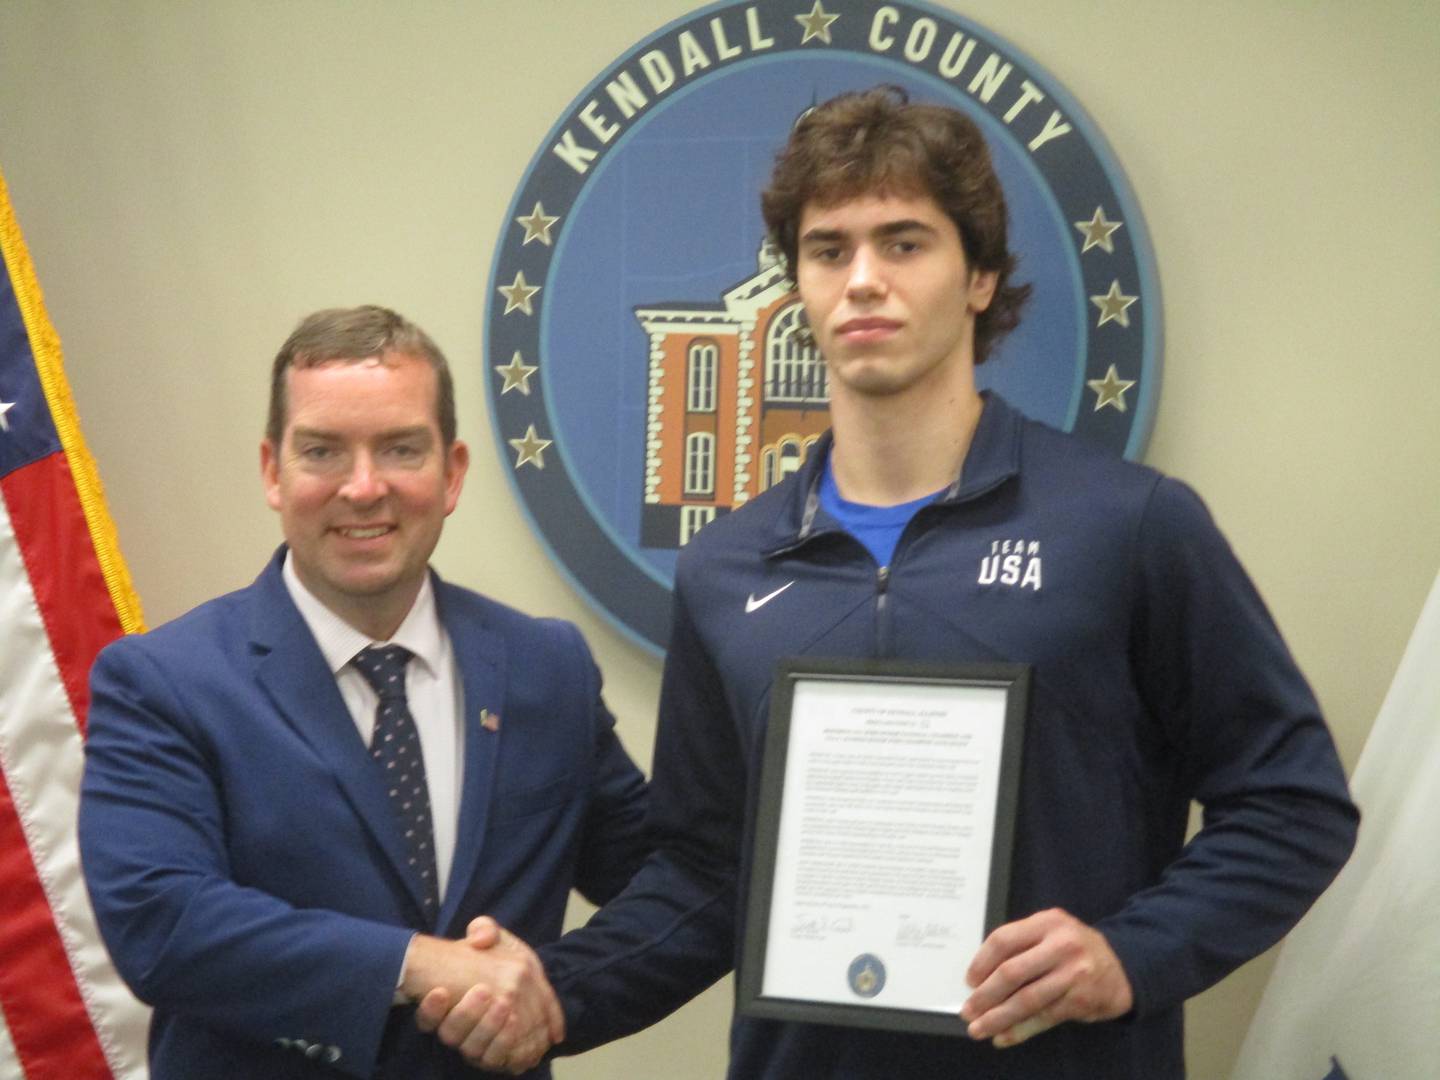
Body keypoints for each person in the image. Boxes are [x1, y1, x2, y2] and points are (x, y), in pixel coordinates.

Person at [427, 86, 1359, 1077]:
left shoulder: (1128, 525)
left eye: (905, 242)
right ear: (797, 286)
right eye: (829, 250)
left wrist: (1128, 955)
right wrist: (550, 994)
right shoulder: (725, 567)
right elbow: (708, 875)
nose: (863, 280)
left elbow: (1293, 807)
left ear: (980, 278)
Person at [78, 305, 650, 1079]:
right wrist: (421, 966)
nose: (363, 487)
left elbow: (660, 881)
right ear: (272, 472)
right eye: (322, 452)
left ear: (451, 474)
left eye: (400, 449)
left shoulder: (548, 667)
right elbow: (162, 923)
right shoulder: (164, 681)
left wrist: (548, 998)